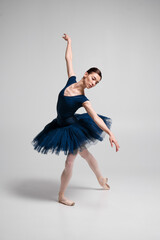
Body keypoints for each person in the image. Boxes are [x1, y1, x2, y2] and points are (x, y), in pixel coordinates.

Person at [31, 33, 120, 206]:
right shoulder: (71, 80)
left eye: (96, 83)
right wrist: (70, 42)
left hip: (72, 129)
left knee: (70, 162)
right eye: (93, 78)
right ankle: (101, 179)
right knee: (85, 154)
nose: (93, 83)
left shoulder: (83, 100)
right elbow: (69, 58)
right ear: (86, 74)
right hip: (59, 125)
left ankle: (61, 195)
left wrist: (110, 133)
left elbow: (95, 118)